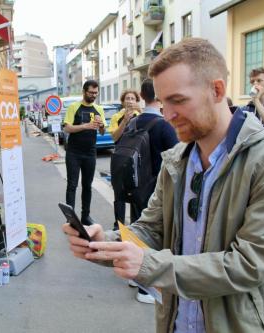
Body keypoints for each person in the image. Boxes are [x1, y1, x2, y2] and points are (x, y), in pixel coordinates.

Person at [63, 38, 264, 332]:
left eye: (178, 100)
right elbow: (151, 228)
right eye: (163, 103)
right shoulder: (177, 159)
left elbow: (249, 264)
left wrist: (150, 265)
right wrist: (105, 243)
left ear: (217, 90)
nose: (168, 115)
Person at [120, 79, 178, 304]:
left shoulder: (134, 122)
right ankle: (146, 289)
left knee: (136, 229)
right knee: (155, 235)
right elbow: (177, 158)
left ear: (142, 96)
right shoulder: (163, 125)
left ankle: (134, 276)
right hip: (156, 187)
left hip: (135, 185)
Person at [63, 80, 106, 226]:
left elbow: (102, 131)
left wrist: (101, 126)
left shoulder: (99, 109)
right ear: (84, 91)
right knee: (72, 185)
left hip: (90, 152)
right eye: (91, 92)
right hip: (74, 152)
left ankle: (85, 216)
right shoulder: (74, 107)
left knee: (87, 185)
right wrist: (86, 126)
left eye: (96, 93)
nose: (94, 95)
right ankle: (70, 218)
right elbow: (67, 128)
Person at [108, 90, 141, 230]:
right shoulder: (116, 117)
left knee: (136, 191)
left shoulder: (141, 116)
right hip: (120, 157)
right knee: (119, 191)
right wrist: (125, 120)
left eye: (133, 98)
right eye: (127, 98)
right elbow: (115, 137)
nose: (130, 101)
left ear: (136, 101)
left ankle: (136, 224)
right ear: (122, 101)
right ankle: (119, 224)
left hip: (136, 158)